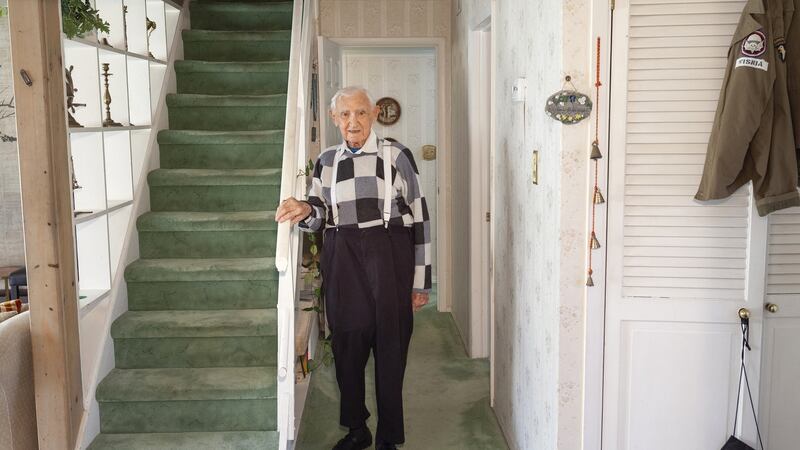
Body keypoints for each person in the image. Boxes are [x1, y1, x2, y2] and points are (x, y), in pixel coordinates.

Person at [276, 86, 431, 450]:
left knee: (390, 350)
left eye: (360, 113)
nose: (353, 122)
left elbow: (420, 217)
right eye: (345, 115)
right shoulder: (326, 161)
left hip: (389, 254)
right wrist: (304, 211)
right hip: (342, 257)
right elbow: (319, 216)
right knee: (347, 347)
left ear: (374, 114)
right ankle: (357, 429)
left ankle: (389, 437)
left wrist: (420, 281)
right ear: (334, 119)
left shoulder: (397, 155)